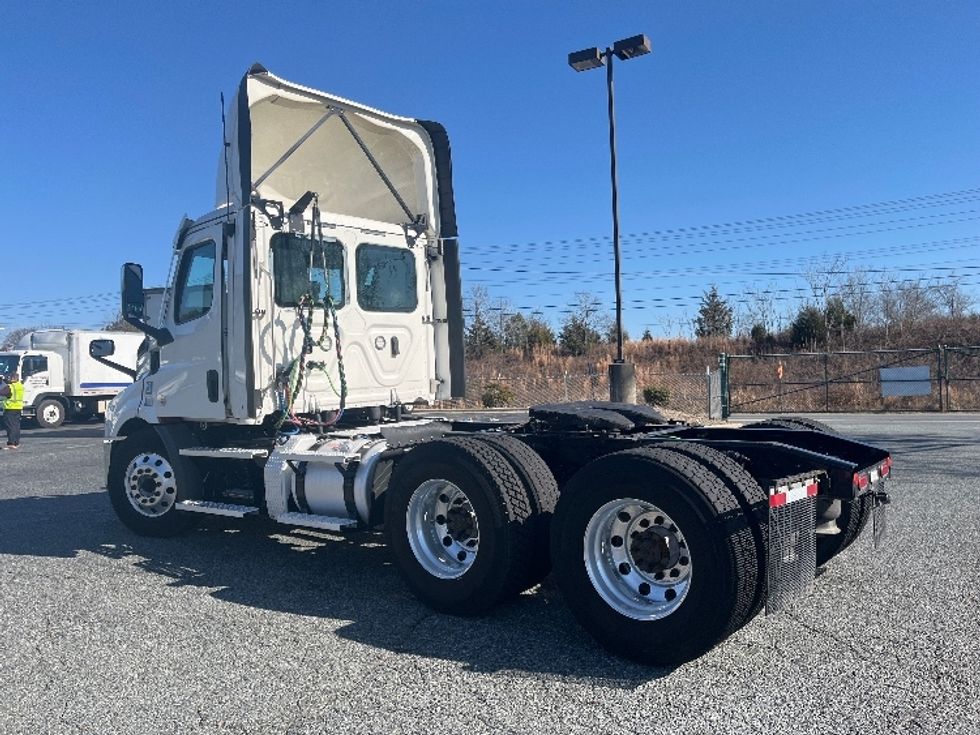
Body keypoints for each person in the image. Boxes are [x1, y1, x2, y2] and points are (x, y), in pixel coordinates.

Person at [1, 372, 24, 449]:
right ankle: (16, 442)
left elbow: (3, 393)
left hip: (10, 408)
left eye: (10, 378)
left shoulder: (10, 387)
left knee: (10, 426)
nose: (8, 379)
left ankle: (11, 442)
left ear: (12, 378)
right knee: (16, 426)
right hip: (18, 408)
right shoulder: (19, 385)